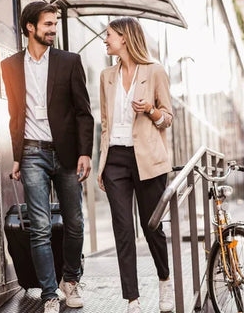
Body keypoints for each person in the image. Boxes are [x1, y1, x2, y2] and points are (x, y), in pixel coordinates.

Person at [1, 1, 94, 313]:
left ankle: (71, 278)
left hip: (66, 153)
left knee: (75, 222)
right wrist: (16, 156)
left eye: (55, 24)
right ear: (30, 27)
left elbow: (83, 112)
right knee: (39, 226)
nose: (53, 29)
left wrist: (85, 152)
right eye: (48, 25)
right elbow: (15, 114)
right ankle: (50, 293)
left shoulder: (69, 61)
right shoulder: (10, 66)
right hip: (31, 153)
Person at [97, 17, 174, 313]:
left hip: (147, 159)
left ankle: (165, 281)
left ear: (125, 38)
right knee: (123, 229)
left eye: (109, 35)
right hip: (115, 159)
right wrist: (103, 163)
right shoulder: (106, 76)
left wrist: (151, 111)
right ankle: (133, 299)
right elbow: (105, 124)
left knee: (151, 226)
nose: (106, 40)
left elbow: (168, 117)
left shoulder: (155, 71)